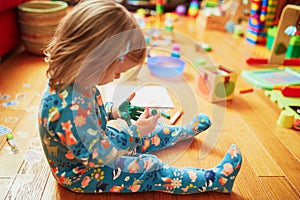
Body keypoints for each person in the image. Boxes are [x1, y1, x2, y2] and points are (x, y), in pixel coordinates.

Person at [38, 0, 242, 194]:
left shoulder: (77, 78)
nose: (117, 77)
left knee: (142, 134)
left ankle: (181, 132)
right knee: (150, 168)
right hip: (84, 173)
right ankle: (216, 179)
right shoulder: (66, 109)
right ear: (97, 60)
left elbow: (91, 114)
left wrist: (114, 111)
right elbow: (98, 158)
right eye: (117, 72)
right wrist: (133, 133)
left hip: (99, 142)